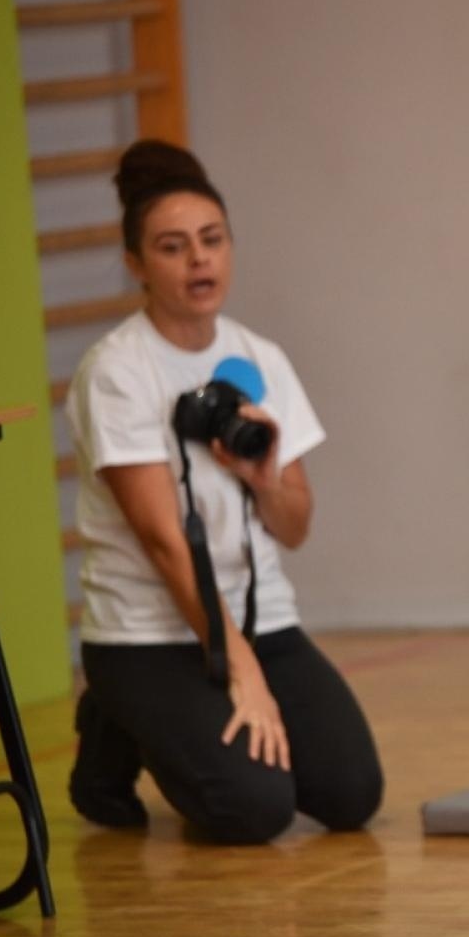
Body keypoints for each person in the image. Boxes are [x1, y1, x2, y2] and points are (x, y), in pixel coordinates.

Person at [64, 139, 382, 844]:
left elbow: (295, 526)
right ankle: (116, 717)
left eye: (211, 240)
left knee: (352, 792)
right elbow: (163, 543)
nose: (198, 260)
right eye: (172, 247)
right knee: (256, 810)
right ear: (137, 264)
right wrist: (242, 673)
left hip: (256, 613)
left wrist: (263, 482)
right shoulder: (116, 372)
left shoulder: (257, 358)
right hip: (148, 634)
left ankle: (147, 718)